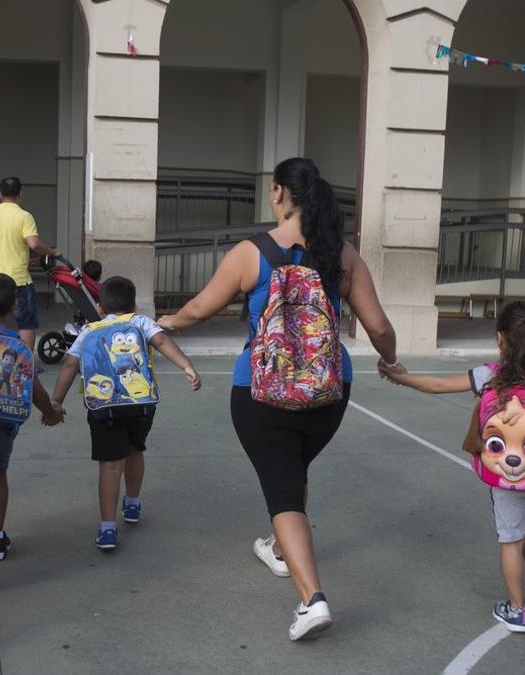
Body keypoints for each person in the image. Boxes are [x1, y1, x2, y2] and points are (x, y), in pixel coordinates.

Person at [157, 157, 400, 641]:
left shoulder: (252, 252)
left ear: (277, 193)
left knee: (282, 490)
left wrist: (159, 326)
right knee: (292, 469)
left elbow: (200, 308)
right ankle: (279, 547)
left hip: (261, 390)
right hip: (330, 390)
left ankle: (312, 601)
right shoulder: (341, 253)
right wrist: (391, 361)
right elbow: (377, 327)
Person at [379, 301, 525, 633]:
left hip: (507, 479)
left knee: (511, 538)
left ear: (500, 339)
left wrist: (401, 377)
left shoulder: (490, 376)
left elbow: (437, 386)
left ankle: (517, 609)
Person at [51, 276, 201, 552]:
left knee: (110, 464)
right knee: (135, 450)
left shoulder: (89, 329)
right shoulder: (140, 322)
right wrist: (187, 366)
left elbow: (70, 365)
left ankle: (108, 528)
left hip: (103, 406)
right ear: (133, 304)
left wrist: (56, 401)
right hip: (140, 404)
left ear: (99, 306)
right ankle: (132, 503)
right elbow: (163, 342)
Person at [0, 273, 65, 591]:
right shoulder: (18, 345)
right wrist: (50, 412)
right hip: (4, 424)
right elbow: (32, 386)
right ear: (12, 307)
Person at [0, 177, 58, 351]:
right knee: (26, 323)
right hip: (18, 280)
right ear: (20, 194)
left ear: (0, 193)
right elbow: (34, 244)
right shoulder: (24, 216)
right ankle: (26, 363)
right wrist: (52, 252)